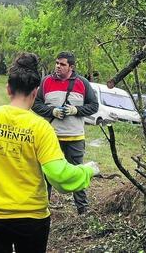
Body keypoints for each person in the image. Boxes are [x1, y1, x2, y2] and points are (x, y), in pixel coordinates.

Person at [0, 53, 100, 253]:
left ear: (8, 88)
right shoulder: (41, 128)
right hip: (30, 219)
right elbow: (60, 177)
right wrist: (87, 170)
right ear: (36, 92)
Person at [31, 51, 99, 215]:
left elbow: (94, 106)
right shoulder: (46, 81)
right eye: (57, 63)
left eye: (62, 64)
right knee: (45, 172)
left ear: (71, 67)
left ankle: (82, 208)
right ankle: (42, 206)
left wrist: (76, 110)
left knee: (77, 171)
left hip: (75, 136)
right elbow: (35, 104)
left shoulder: (82, 83)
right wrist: (51, 111)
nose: (58, 66)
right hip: (50, 137)